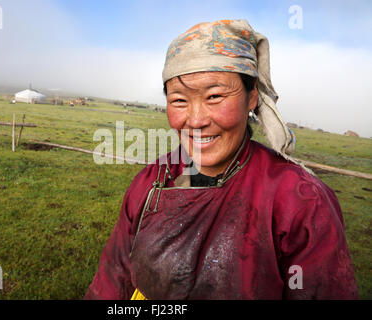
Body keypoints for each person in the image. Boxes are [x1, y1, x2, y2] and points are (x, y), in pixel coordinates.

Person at [84, 19, 358, 299]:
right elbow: (112, 280)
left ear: (251, 98)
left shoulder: (300, 201)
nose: (196, 120)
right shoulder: (151, 181)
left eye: (215, 96)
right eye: (179, 100)